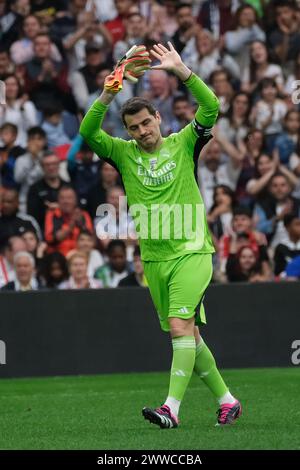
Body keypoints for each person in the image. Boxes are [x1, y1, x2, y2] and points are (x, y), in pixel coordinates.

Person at [80, 42, 242, 427]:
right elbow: (88, 132)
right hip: (154, 259)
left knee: (179, 327)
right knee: (191, 337)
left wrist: (182, 72)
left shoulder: (184, 142)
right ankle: (227, 399)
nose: (141, 132)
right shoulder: (122, 153)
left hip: (191, 252)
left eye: (146, 123)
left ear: (157, 118)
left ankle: (171, 409)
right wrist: (106, 95)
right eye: (133, 127)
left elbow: (212, 107)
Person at [44, 186, 93, 256]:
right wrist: (71, 225)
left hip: (81, 256)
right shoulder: (52, 214)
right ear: (58, 201)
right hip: (59, 256)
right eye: (62, 198)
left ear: (75, 200)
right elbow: (50, 239)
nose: (66, 201)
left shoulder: (83, 215)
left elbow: (90, 238)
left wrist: (81, 224)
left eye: (69, 198)